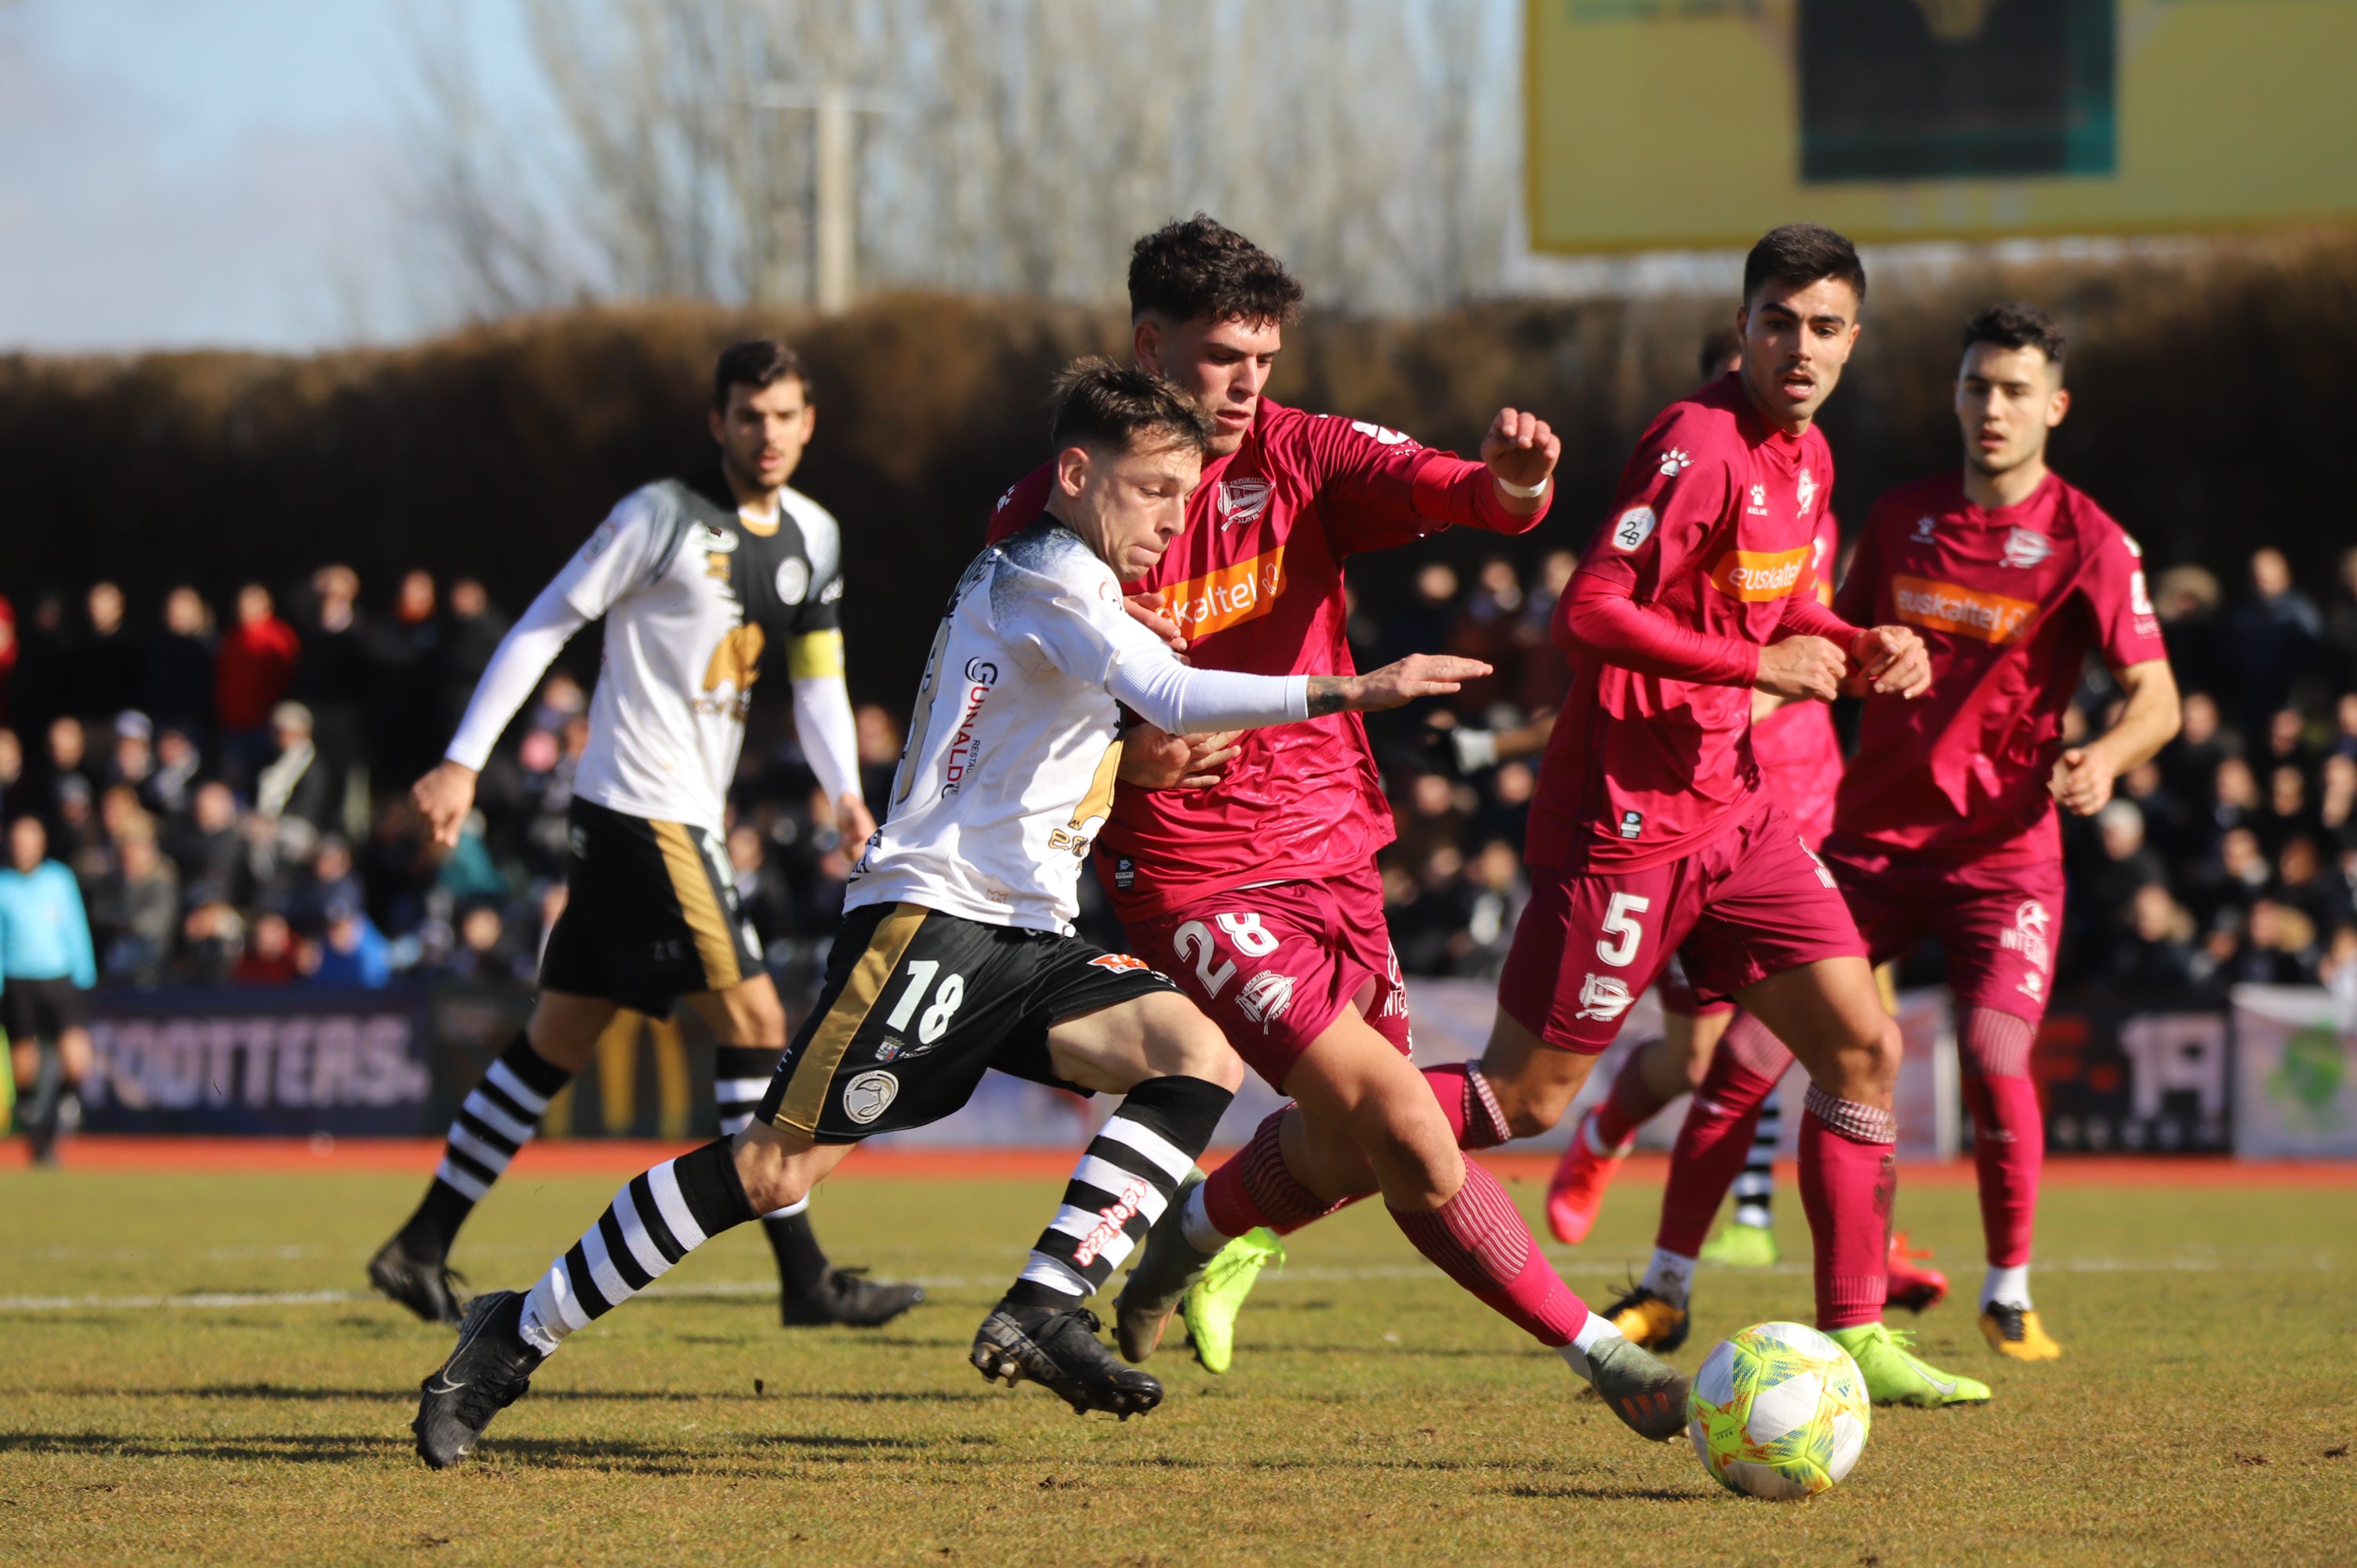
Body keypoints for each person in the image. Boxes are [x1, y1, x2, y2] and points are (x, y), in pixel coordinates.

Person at [403, 359, 1596, 1467]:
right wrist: (1355, 686)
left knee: (1194, 1052)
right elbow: (1169, 690)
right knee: (770, 1169)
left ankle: (1041, 1307)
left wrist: (1136, 759)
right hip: (930, 921)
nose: (1173, 522)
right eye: (1154, 493)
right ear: (1076, 476)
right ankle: (516, 1330)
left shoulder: (1081, 588)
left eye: (1187, 497)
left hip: (1025, 931)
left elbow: (1095, 713)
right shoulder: (1042, 573)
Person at [1140, 223, 1989, 1409]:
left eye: (1826, 328)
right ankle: (1228, 1216)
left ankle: (1854, 1333)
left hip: (1733, 811)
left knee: (1862, 1045)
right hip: (1624, 823)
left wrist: (1855, 641)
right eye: (1779, 323)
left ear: (1854, 341)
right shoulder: (1695, 446)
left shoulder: (1808, 461)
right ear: (1741, 327)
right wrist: (1759, 672)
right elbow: (1588, 613)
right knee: (1520, 1100)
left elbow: (1787, 598)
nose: (1800, 348)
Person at [982, 221, 1692, 1440]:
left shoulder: (1299, 453)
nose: (1247, 381)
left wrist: (1513, 484)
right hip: (1194, 875)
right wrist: (1124, 754)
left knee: (1355, 1143)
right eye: (1218, 357)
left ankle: (1181, 1245)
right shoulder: (1058, 517)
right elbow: (997, 707)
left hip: (1333, 849)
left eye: (1263, 353)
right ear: (1149, 348)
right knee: (1408, 1129)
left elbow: (1466, 495)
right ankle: (1605, 1362)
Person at [1625, 302, 2179, 1367]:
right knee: (1744, 1052)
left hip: (2000, 863)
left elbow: (2156, 698)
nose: (1992, 409)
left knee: (1992, 1049)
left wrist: (2106, 759)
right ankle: (1664, 1287)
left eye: (2015, 391)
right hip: (1869, 851)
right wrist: (1738, 707)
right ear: (1955, 396)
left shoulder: (2090, 541)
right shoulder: (1900, 518)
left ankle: (2007, 1291)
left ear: (2052, 408)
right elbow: (1824, 647)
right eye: (1976, 387)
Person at [368, 339, 917, 1332]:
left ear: (810, 421)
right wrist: (463, 759)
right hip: (639, 809)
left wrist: (845, 790)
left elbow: (818, 681)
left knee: (558, 1036)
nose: (767, 434)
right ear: (717, 422)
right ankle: (805, 1274)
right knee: (753, 1023)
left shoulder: (816, 535)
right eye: (748, 416)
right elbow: (543, 623)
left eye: (785, 415)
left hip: (665, 815)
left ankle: (420, 1241)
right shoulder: (655, 515)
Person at [0, 815, 99, 1162]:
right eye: (18, 839)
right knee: (25, 1059)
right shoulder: (3, 885)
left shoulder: (59, 879)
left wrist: (84, 975)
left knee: (76, 1056)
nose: (23, 846)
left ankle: (64, 1103)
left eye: (30, 839)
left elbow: (75, 927)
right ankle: (30, 1113)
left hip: (58, 979)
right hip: (17, 981)